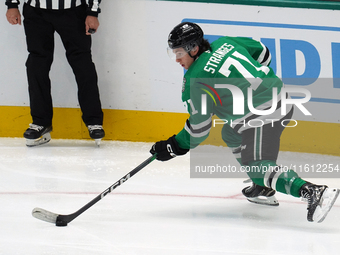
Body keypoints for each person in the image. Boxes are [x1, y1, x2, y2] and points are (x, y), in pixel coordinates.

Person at [150, 22, 339, 223]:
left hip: (262, 114)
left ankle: (312, 191)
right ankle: (264, 187)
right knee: (230, 133)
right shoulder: (225, 43)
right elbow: (263, 53)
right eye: (174, 54)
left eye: (179, 53)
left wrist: (174, 145)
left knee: (257, 167)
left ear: (194, 49)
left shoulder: (196, 79)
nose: (177, 59)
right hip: (280, 97)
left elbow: (199, 129)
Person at [5, 0, 105, 147]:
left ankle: (94, 121)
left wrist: (92, 12)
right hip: (35, 11)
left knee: (83, 65)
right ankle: (40, 121)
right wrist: (12, 5)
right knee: (36, 66)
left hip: (73, 10)